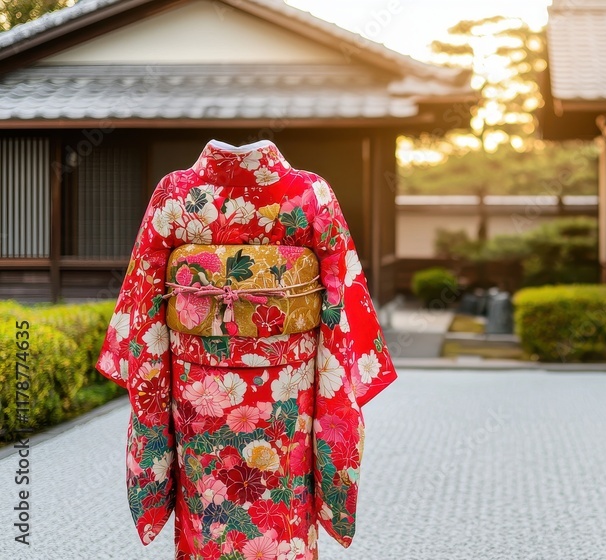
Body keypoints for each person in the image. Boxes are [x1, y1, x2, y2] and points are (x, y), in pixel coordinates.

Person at [96, 139, 396, 559]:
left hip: (198, 390)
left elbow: (143, 307)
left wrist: (151, 383)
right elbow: (341, 303)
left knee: (210, 504)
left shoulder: (176, 194)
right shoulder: (309, 193)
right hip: (286, 389)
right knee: (279, 506)